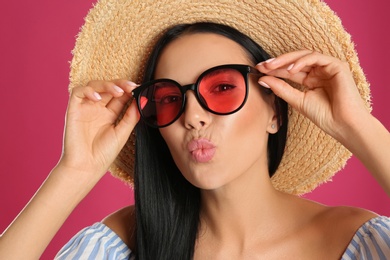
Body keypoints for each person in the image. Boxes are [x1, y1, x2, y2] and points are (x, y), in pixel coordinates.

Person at [1, 0, 389, 259]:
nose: (193, 117)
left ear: (275, 111)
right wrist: (74, 173)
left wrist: (357, 127)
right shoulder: (120, 246)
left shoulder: (357, 242)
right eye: (169, 98)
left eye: (221, 88)